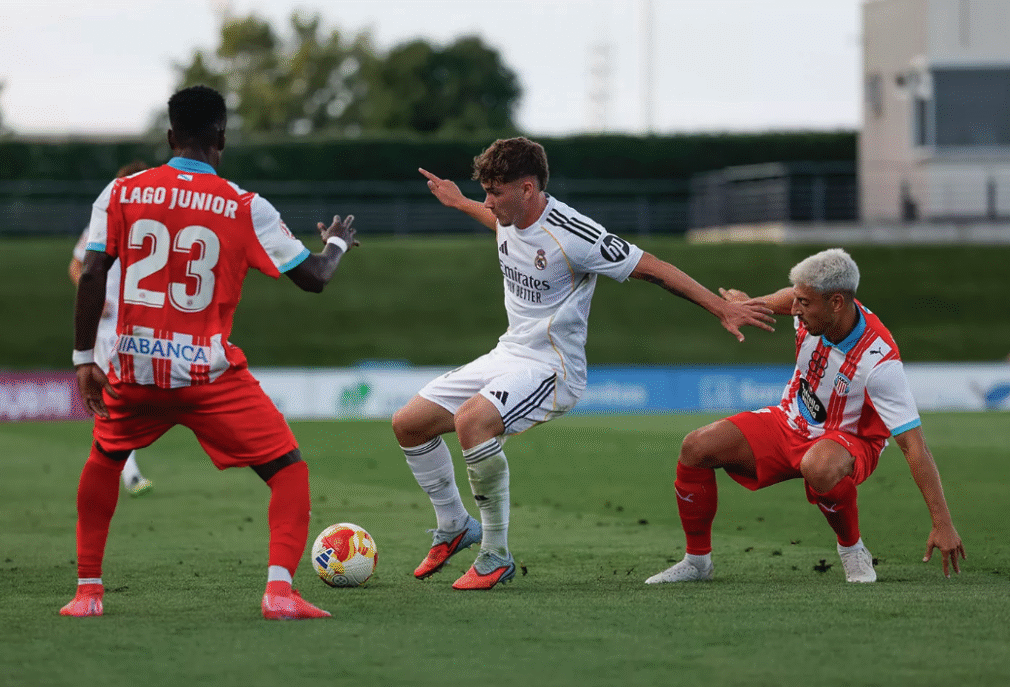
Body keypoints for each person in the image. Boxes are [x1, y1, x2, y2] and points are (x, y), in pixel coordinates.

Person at [391, 137, 776, 590]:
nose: (489, 202)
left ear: (528, 189)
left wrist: (720, 307)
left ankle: (495, 554)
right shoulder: (509, 215)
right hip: (509, 353)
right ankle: (455, 525)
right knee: (408, 424)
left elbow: (653, 267)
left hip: (553, 368)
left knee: (473, 421)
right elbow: (496, 222)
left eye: (495, 192)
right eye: (486, 192)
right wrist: (460, 202)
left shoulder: (575, 234)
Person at [60, 85, 358, 620]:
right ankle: (278, 593)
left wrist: (85, 358)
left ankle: (87, 593)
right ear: (221, 137)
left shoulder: (121, 192)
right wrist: (335, 243)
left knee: (104, 460)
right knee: (288, 471)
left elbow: (93, 270)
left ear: (170, 135)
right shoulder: (245, 206)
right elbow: (314, 278)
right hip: (208, 376)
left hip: (136, 369)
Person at [645, 248, 965, 585]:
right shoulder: (813, 308)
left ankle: (852, 549)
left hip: (849, 440)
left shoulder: (879, 363)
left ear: (836, 303)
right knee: (696, 447)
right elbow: (788, 296)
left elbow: (914, 446)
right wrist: (753, 304)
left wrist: (942, 523)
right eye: (797, 300)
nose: (795, 309)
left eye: (804, 303)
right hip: (789, 422)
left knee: (819, 465)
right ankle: (697, 562)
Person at [69, 161, 153, 497]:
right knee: (116, 400)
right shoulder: (100, 224)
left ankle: (117, 465)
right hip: (109, 329)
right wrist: (94, 296)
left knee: (136, 401)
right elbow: (77, 266)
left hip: (143, 328)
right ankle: (129, 473)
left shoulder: (155, 225)